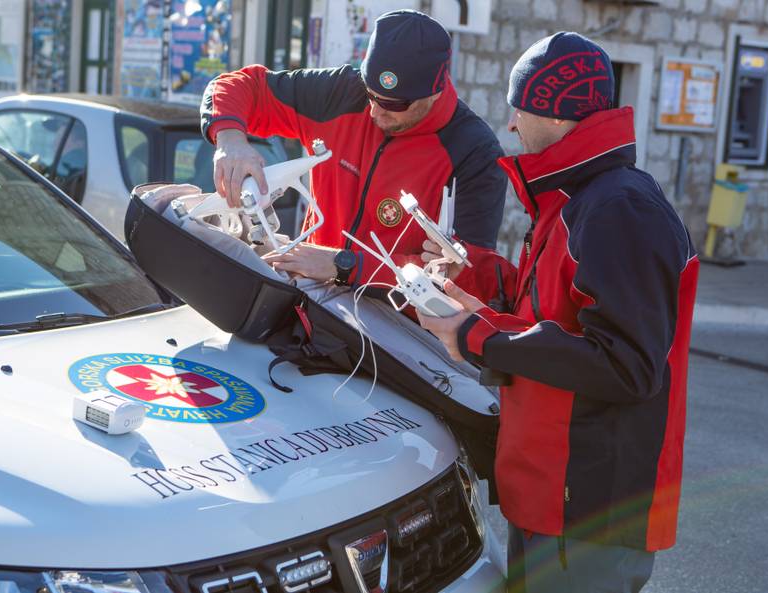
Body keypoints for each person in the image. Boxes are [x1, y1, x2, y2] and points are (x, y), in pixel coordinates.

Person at [417, 32, 699, 593]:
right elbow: (549, 308)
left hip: (588, 509)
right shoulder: (584, 197)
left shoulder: (616, 206)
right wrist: (472, 272)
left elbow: (626, 365)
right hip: (557, 494)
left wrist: (478, 339)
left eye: (518, 107)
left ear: (554, 111)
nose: (514, 125)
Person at [200, 9, 506, 290]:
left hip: (399, 334)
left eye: (393, 104)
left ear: (435, 92)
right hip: (311, 302)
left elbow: (468, 277)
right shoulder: (342, 92)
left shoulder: (474, 152)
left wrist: (344, 266)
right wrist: (230, 142)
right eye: (371, 94)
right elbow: (238, 86)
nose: (374, 112)